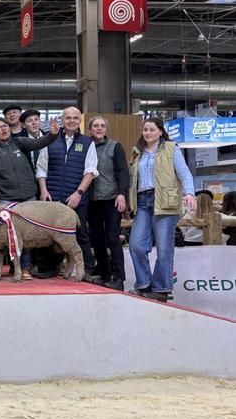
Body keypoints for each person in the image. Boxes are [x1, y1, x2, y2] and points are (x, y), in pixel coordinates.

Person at [0, 116, 59, 279]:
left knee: (26, 235)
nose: (3, 129)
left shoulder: (20, 142)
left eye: (5, 125)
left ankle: (25, 268)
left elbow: (40, 143)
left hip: (29, 197)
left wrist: (52, 135)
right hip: (6, 200)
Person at [129, 118, 196, 303]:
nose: (147, 133)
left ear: (160, 131)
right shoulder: (137, 152)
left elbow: (184, 172)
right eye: (145, 130)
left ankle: (161, 290)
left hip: (165, 202)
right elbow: (132, 181)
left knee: (164, 250)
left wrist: (189, 193)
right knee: (136, 246)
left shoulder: (171, 148)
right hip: (142, 202)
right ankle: (144, 285)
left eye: (151, 129)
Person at [35, 106, 97, 279]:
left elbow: (90, 172)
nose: (71, 121)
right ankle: (49, 268)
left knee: (81, 234)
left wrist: (79, 193)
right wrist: (43, 190)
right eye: (68, 118)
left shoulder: (87, 142)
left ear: (79, 120)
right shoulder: (50, 140)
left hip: (76, 198)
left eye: (75, 118)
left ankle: (87, 270)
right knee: (48, 234)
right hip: (52, 197)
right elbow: (41, 168)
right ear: (62, 120)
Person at [86, 116, 130, 290]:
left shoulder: (115, 146)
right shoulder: (86, 146)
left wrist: (122, 194)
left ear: (106, 129)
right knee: (97, 240)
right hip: (92, 200)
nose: (99, 128)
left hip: (112, 198)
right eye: (95, 126)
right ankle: (104, 275)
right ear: (89, 129)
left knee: (112, 237)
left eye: (102, 126)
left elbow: (122, 172)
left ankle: (119, 278)